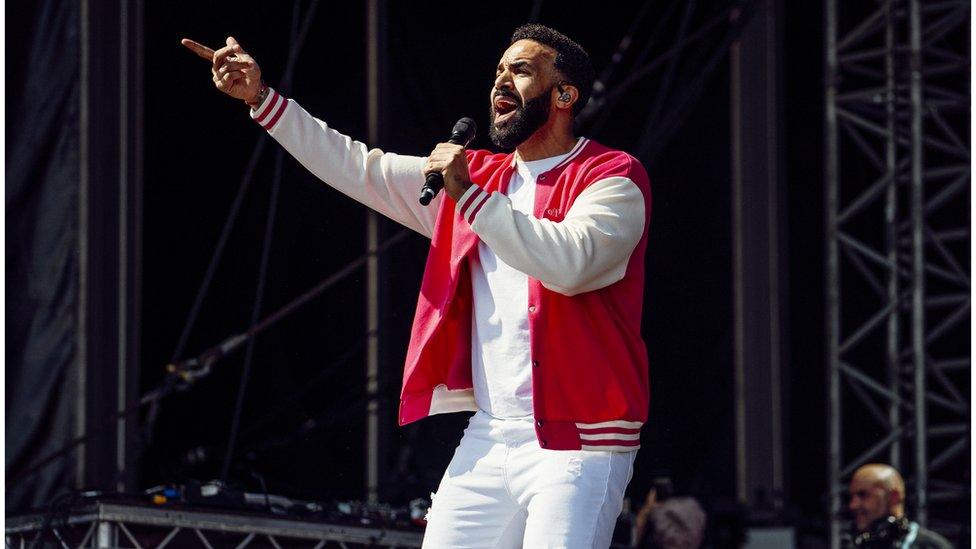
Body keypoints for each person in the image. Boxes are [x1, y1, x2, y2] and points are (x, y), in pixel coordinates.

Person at [182, 23, 651, 548]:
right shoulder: (475, 180)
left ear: (565, 95)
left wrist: (469, 196)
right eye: (498, 70)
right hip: (491, 435)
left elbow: (569, 263)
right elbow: (358, 167)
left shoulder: (612, 177)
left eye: (520, 70)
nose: (500, 81)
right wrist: (263, 100)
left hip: (582, 443)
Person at [846, 464, 954, 548]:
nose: (853, 505)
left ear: (894, 497)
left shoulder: (933, 546)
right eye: (851, 497)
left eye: (863, 495)